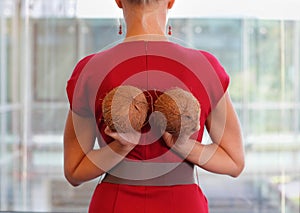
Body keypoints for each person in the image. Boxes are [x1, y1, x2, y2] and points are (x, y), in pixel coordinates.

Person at [63, 0, 245, 212]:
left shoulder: (90, 70)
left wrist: (120, 147)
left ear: (118, 1)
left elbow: (74, 171)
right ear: (171, 1)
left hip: (115, 203)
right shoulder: (205, 66)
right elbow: (234, 161)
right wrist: (183, 145)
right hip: (183, 204)